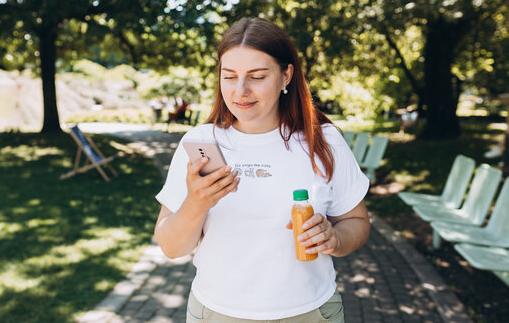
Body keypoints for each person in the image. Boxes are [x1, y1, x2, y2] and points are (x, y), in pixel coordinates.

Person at [154, 17, 370, 322]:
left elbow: (357, 222)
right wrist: (196, 203)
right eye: (229, 76)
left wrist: (335, 237)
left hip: (310, 313)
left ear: (286, 76)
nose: (240, 91)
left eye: (256, 76)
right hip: (216, 314)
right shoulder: (201, 143)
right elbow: (171, 247)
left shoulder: (323, 142)